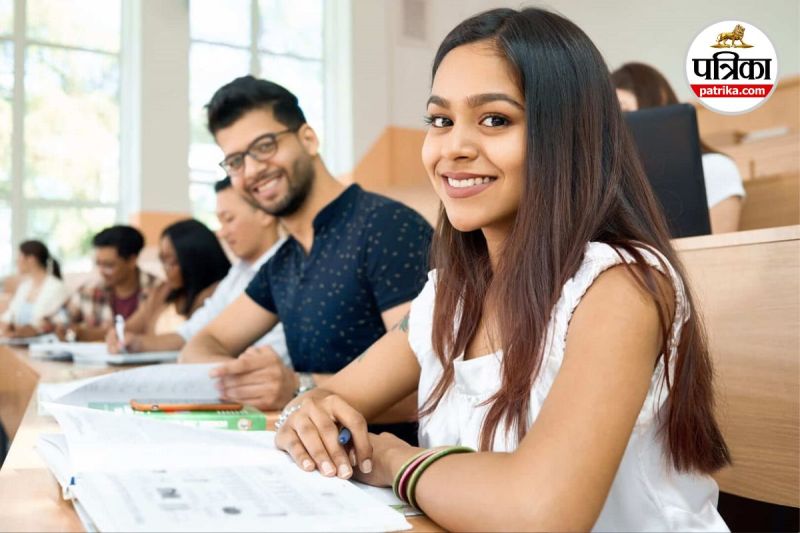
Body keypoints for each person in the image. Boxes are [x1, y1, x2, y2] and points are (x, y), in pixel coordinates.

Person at [273, 8, 731, 531]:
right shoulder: (448, 296)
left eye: (495, 119)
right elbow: (328, 399)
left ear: (567, 135)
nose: (454, 147)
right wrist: (304, 420)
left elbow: (543, 512)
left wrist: (394, 461)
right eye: (440, 120)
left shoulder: (619, 286)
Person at [181, 75, 432, 421]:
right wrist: (243, 378)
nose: (252, 170)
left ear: (308, 139)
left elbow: (431, 389)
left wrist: (300, 389)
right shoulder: (283, 261)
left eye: (265, 146)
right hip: (305, 457)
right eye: (236, 161)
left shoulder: (388, 228)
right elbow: (200, 345)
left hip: (382, 465)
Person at [107, 178, 289, 363]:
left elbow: (268, 357)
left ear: (266, 214)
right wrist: (137, 343)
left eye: (229, 219)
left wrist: (203, 352)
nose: (221, 232)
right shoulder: (239, 272)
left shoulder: (289, 271)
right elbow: (192, 334)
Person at [612, 62, 746, 234]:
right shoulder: (618, 180)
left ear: (659, 101)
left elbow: (719, 249)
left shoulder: (715, 167)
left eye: (625, 111)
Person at [107, 219, 230, 352]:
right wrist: (117, 334)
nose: (165, 269)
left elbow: (192, 339)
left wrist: (141, 343)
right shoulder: (163, 291)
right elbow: (131, 326)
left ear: (196, 261)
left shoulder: (219, 295)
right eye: (162, 260)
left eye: (171, 262)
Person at [58, 225, 159, 341]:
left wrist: (90, 334)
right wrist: (62, 328)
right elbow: (60, 320)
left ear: (132, 260)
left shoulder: (158, 290)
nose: (102, 272)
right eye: (98, 264)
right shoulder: (90, 290)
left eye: (109, 265)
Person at [0, 241, 68, 337]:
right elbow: (10, 314)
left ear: (31, 259)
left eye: (20, 256)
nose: (17, 261)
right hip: (17, 340)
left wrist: (19, 330)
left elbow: (47, 322)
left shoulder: (56, 287)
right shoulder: (24, 287)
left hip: (42, 342)